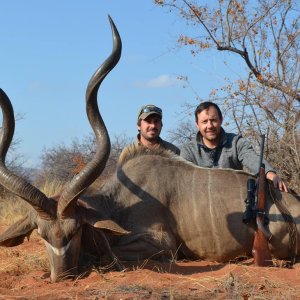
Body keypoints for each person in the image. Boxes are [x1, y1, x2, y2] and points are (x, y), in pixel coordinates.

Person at [180, 101, 288, 192]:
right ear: (197, 124)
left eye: (213, 120)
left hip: (232, 198)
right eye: (204, 122)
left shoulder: (236, 142)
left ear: (221, 120)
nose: (210, 126)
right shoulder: (188, 150)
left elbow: (252, 158)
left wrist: (270, 173)